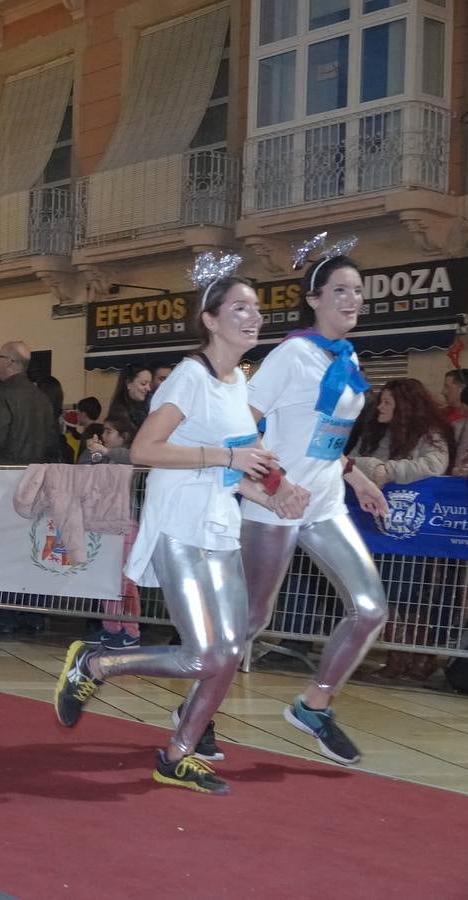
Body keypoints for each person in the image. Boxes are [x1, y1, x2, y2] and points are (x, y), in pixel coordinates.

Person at [54, 261, 310, 796]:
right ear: (211, 319)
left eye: (257, 309)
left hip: (219, 527)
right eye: (240, 307)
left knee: (231, 649)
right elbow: (146, 450)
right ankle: (96, 664)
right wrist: (229, 456)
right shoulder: (189, 375)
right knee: (203, 654)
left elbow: (232, 469)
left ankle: (178, 755)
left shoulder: (239, 381)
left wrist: (273, 491)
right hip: (178, 526)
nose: (253, 317)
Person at [240, 251, 398, 763]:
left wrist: (354, 476)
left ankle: (314, 705)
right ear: (313, 299)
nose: (352, 300)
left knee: (371, 608)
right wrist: (277, 482)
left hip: (326, 501)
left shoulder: (346, 357)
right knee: (250, 620)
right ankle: (194, 713)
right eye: (339, 291)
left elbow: (323, 436)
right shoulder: (291, 355)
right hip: (274, 504)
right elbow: (242, 427)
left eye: (357, 291)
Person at [347, 377, 451, 683]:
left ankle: (419, 657)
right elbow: (349, 461)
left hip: (413, 533)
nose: (381, 406)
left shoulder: (429, 435)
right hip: (376, 530)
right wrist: (375, 468)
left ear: (404, 406)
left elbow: (435, 464)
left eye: (388, 402)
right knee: (387, 593)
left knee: (410, 596)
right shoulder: (374, 434)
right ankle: (396, 656)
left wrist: (389, 470)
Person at [0, 341, 60, 465]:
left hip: (5, 472)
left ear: (10, 361)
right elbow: (51, 442)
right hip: (35, 473)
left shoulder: (2, 393)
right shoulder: (42, 397)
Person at [108, 363, 153, 431]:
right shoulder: (120, 413)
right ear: (128, 383)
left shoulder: (147, 406)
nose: (148, 388)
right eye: (143, 383)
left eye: (149, 384)